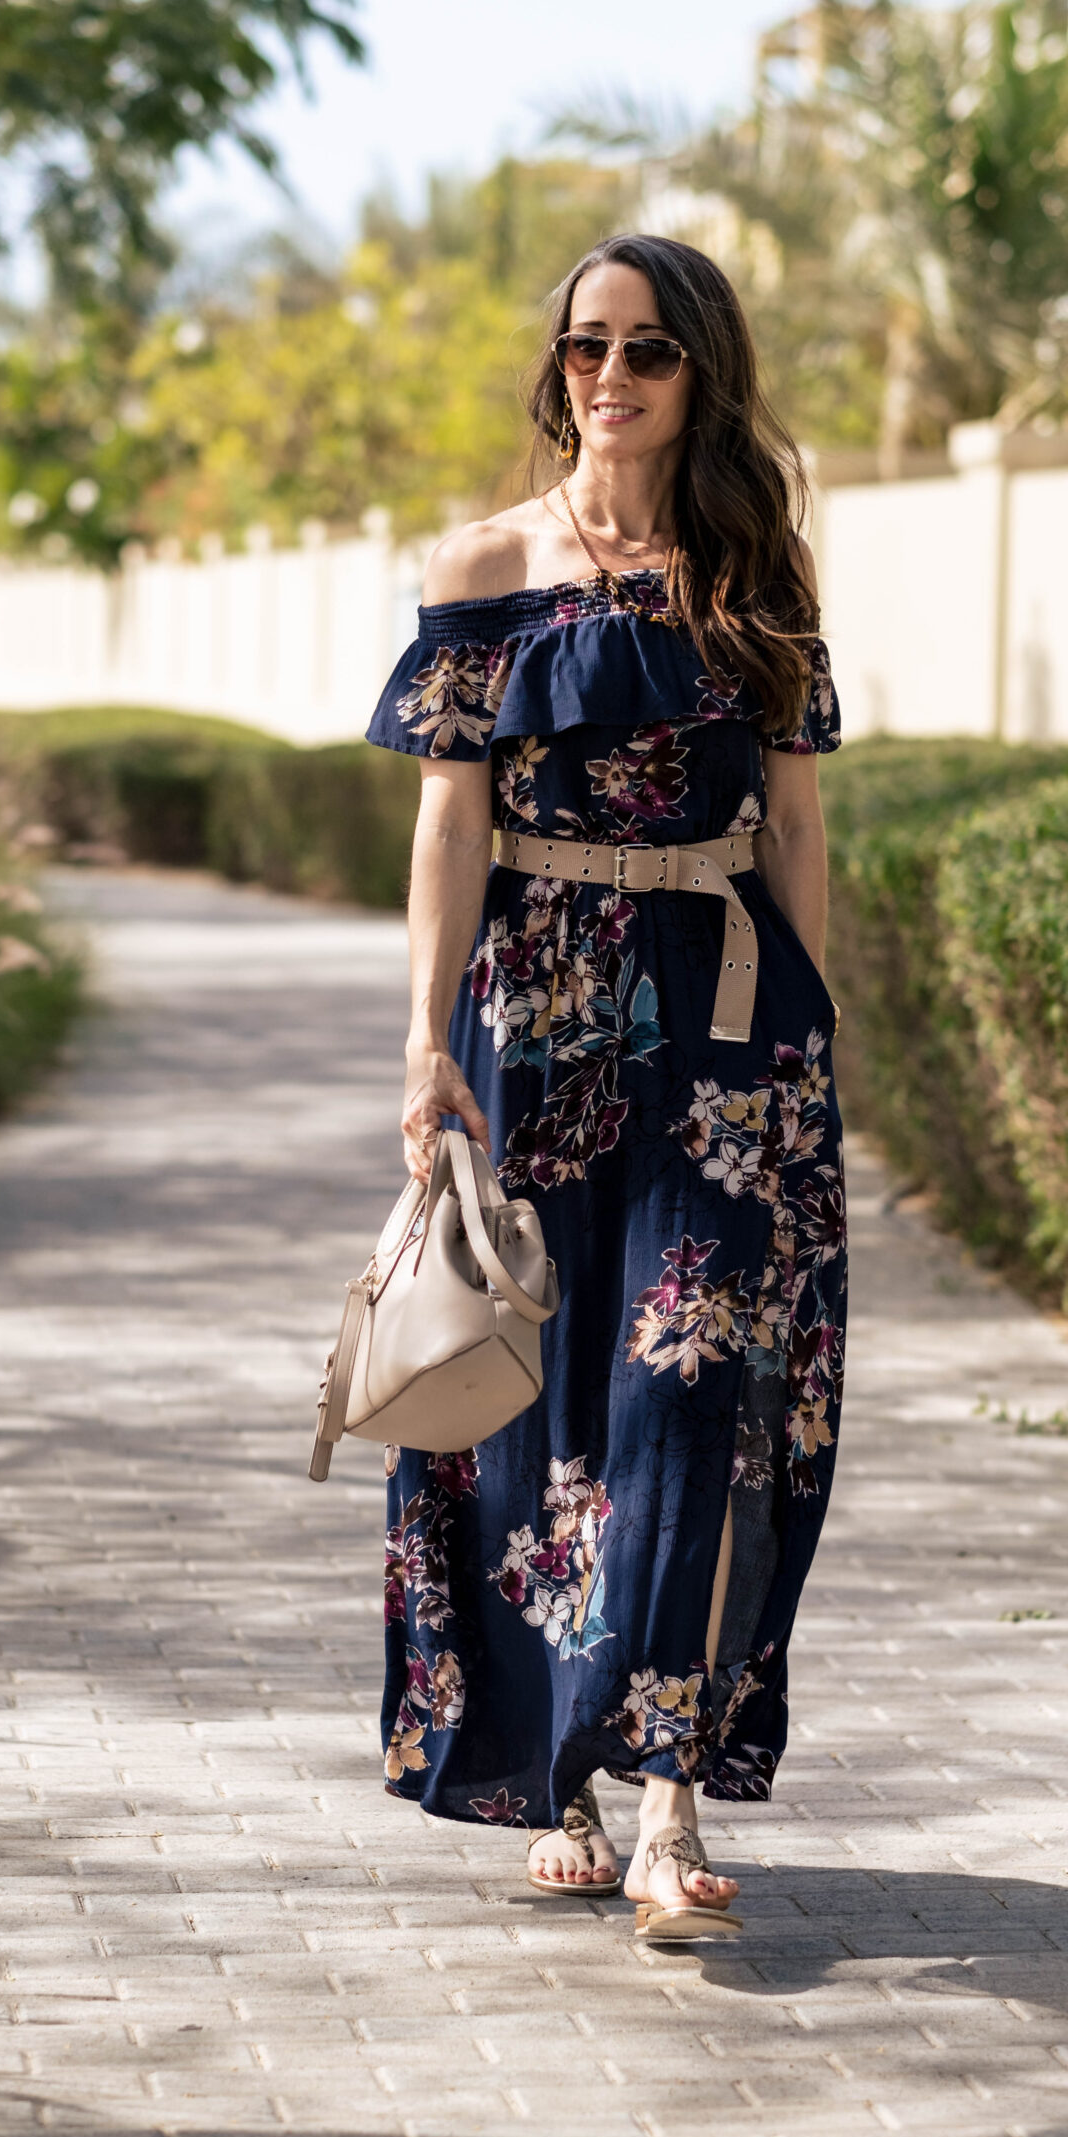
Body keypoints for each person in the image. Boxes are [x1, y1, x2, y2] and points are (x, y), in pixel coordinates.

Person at [364, 233, 844, 1940]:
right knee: (537, 1397)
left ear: (702, 371)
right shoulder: (487, 564)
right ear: (557, 368)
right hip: (536, 1022)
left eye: (648, 350)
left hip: (722, 1029)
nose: (612, 377)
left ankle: (667, 1800)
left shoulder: (756, 569)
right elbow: (450, 826)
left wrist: (812, 1030)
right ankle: (543, 1774)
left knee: (694, 1405)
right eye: (586, 349)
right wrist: (426, 1045)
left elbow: (793, 819)